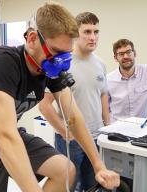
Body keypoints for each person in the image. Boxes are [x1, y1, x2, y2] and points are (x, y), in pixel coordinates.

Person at [0, 3, 120, 192]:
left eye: (66, 54)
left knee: (65, 170)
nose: (62, 62)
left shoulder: (50, 69)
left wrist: (99, 165)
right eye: (57, 53)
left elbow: (72, 115)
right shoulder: (4, 62)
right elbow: (4, 136)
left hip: (10, 135)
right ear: (32, 39)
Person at [38, 12, 110, 191]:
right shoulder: (62, 64)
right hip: (71, 140)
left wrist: (108, 127)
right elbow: (44, 105)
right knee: (70, 185)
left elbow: (103, 96)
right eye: (87, 32)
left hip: (96, 136)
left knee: (93, 184)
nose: (92, 37)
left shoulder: (100, 63)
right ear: (76, 34)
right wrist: (64, 132)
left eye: (96, 31)